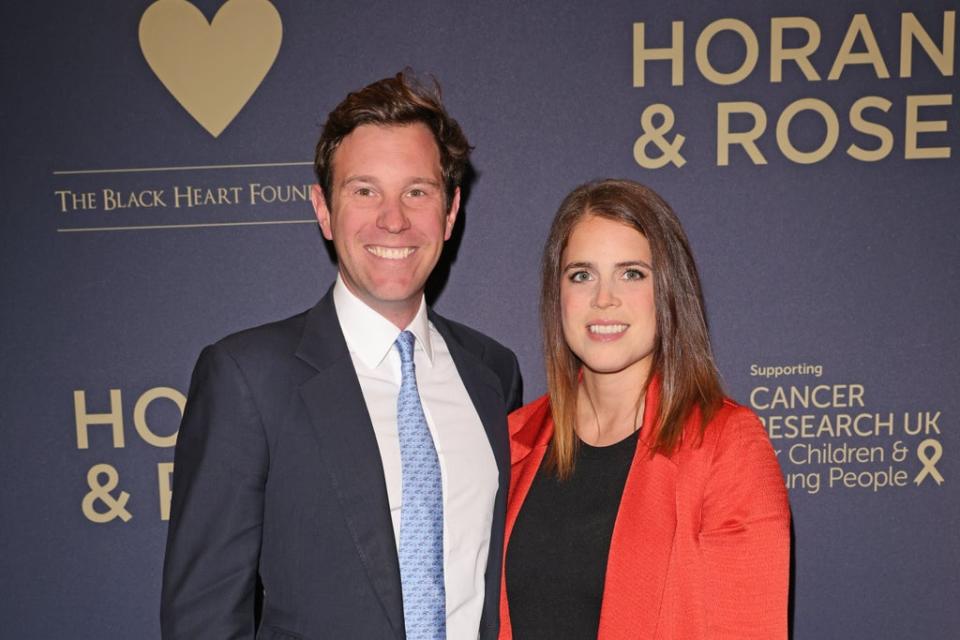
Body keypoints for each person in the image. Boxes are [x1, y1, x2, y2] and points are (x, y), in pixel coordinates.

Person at [160, 71, 522, 640]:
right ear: (324, 211)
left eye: (417, 191)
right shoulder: (248, 378)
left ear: (450, 213)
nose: (393, 218)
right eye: (364, 190)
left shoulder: (492, 374)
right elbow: (203, 618)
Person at [499, 180, 790, 639]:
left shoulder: (724, 446)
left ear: (669, 291)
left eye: (631, 273)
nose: (604, 298)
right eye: (582, 275)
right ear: (558, 296)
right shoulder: (515, 439)